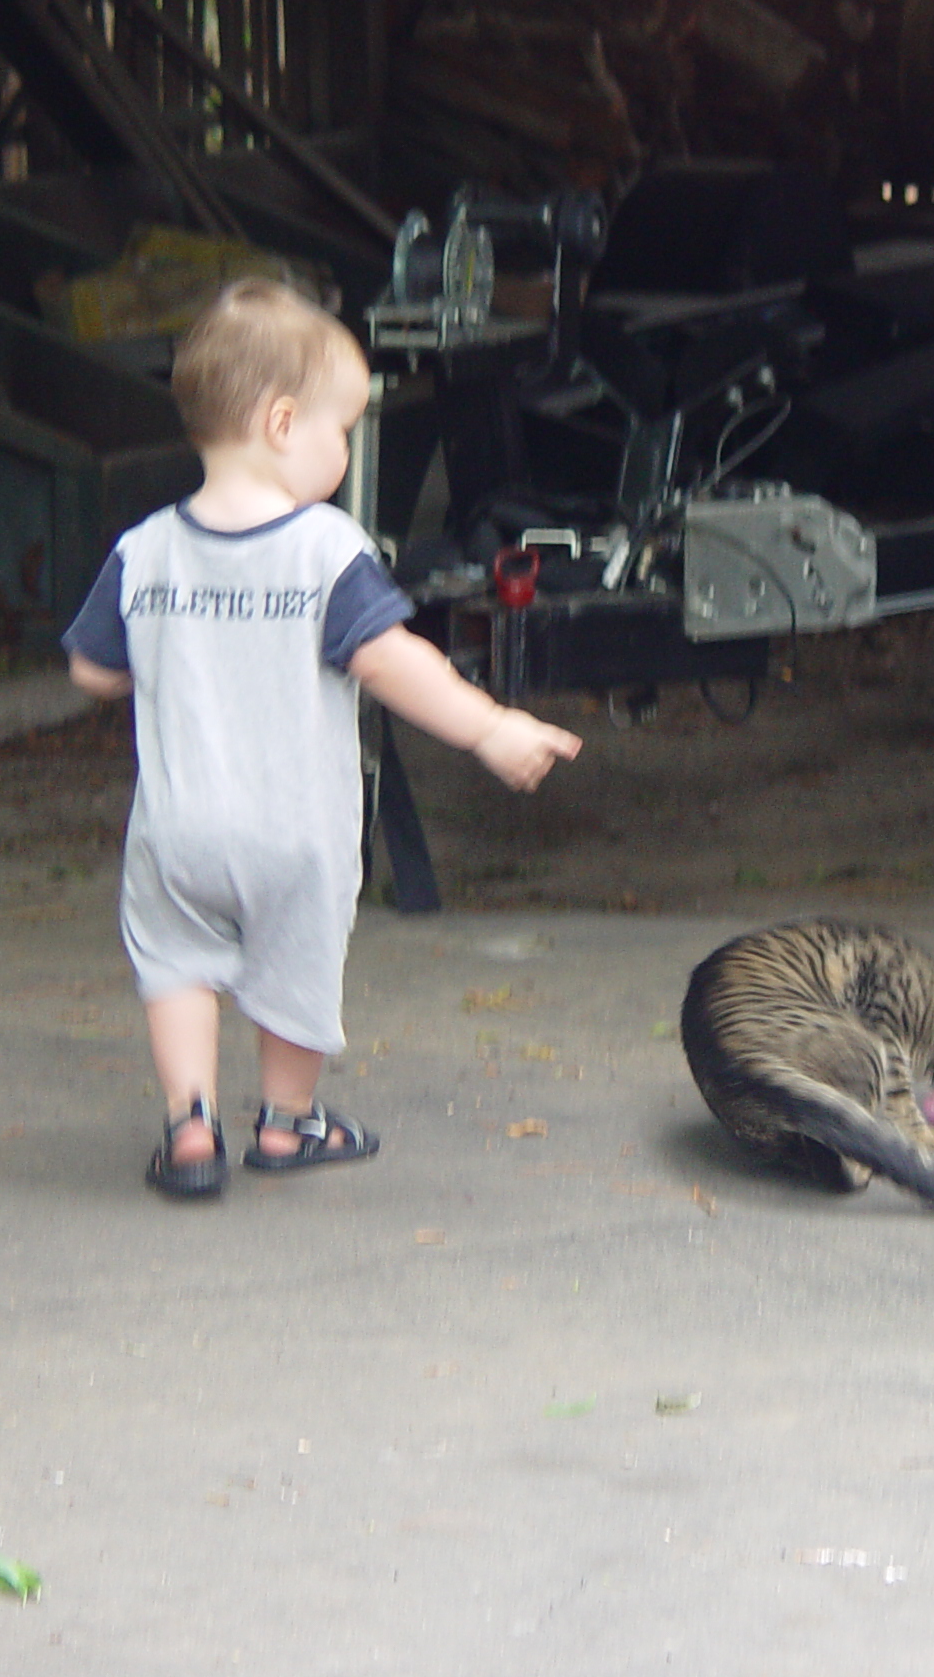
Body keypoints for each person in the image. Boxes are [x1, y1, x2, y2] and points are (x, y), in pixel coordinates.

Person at [63, 279, 581, 1198]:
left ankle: (189, 1128)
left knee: (176, 965)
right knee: (294, 968)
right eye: (341, 429)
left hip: (176, 832)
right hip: (295, 834)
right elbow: (393, 663)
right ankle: (288, 1123)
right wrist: (493, 728)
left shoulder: (145, 549)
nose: (344, 449)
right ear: (281, 422)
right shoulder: (325, 551)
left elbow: (94, 672)